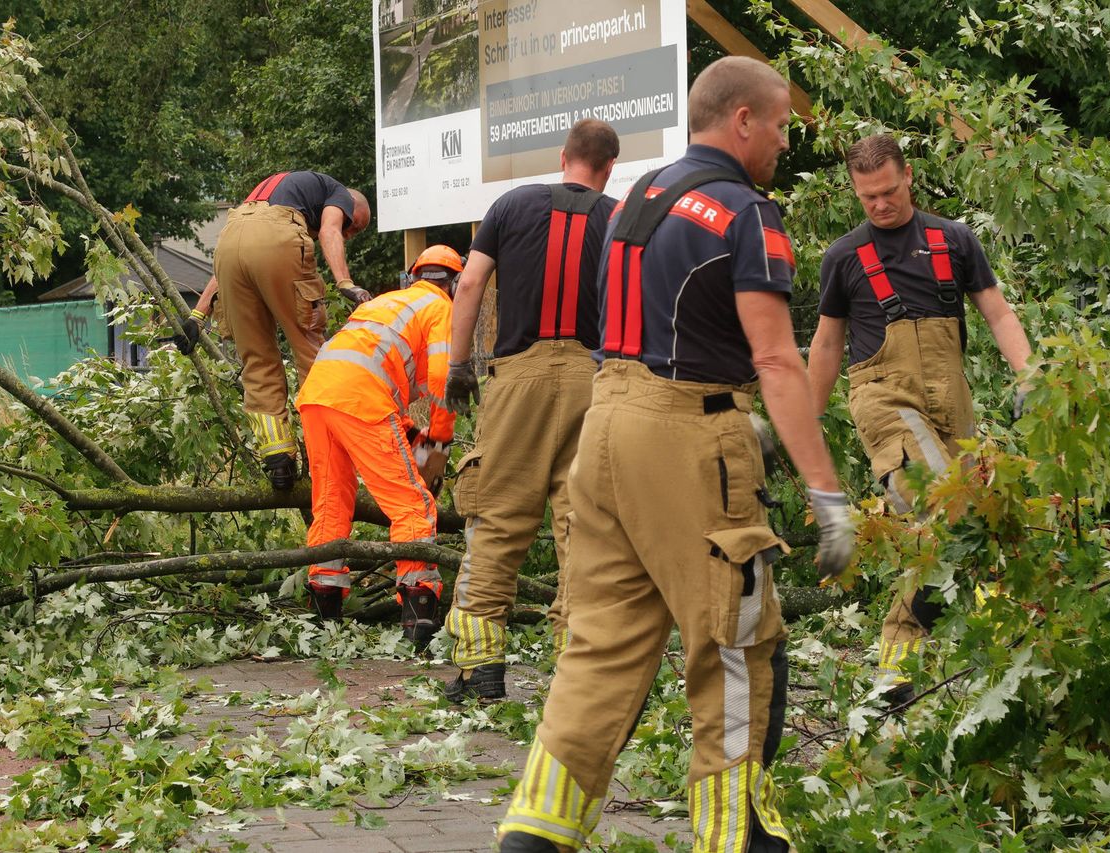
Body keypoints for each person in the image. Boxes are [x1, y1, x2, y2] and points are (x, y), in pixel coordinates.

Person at [495, 57, 856, 853]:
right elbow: (775, 360)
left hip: (605, 427)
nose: (784, 143)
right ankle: (739, 838)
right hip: (690, 433)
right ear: (743, 122)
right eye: (782, 126)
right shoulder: (744, 213)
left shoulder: (637, 199)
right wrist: (827, 494)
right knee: (737, 640)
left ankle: (534, 832)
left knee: (600, 644)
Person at [806, 133, 1032, 699]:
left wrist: (1030, 372)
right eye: (867, 197)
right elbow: (828, 344)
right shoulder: (843, 257)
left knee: (965, 528)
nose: (879, 205)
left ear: (908, 176)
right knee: (942, 507)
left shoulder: (953, 239)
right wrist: (803, 423)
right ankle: (906, 664)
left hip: (951, 402)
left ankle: (904, 670)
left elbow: (999, 313)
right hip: (882, 396)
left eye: (887, 192)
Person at [442, 118, 620, 703]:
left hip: (518, 378)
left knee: (497, 518)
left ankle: (480, 669)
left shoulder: (511, 205)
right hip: (596, 383)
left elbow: (468, 286)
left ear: (563, 156)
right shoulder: (619, 217)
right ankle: (579, 674)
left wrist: (458, 365)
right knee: (585, 526)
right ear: (609, 168)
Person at [295, 245, 462, 651]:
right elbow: (442, 379)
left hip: (318, 395)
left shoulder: (388, 301)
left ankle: (324, 622)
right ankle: (419, 620)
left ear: (415, 274)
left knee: (331, 503)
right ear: (454, 283)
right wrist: (437, 442)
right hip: (362, 398)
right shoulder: (441, 308)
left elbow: (368, 363)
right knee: (413, 505)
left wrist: (408, 432)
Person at [209, 171, 373, 491]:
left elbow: (228, 264)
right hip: (279, 239)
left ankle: (278, 459)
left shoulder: (265, 197)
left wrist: (196, 315)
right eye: (354, 226)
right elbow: (328, 230)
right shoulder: (339, 192)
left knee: (256, 359)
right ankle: (323, 452)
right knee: (311, 351)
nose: (350, 234)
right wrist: (345, 283)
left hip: (228, 243)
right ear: (348, 207)